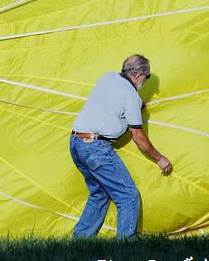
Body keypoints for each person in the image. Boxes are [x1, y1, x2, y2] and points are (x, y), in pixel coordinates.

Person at [70, 54, 172, 238]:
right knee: (128, 195)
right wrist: (160, 159)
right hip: (96, 148)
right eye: (148, 78)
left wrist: (133, 107)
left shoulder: (107, 77)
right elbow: (138, 137)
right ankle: (125, 246)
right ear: (140, 75)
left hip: (76, 143)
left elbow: (110, 106)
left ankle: (80, 241)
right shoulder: (131, 95)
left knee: (99, 194)